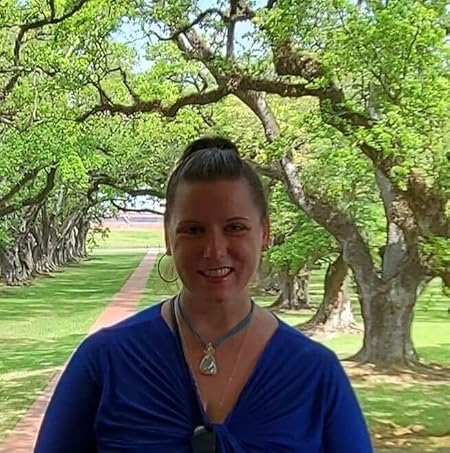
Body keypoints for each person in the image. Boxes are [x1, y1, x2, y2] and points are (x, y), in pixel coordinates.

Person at [35, 137, 373, 452]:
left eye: (234, 227)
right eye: (193, 230)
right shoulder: (104, 361)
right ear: (168, 238)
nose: (215, 249)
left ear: (265, 233)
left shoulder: (315, 373)